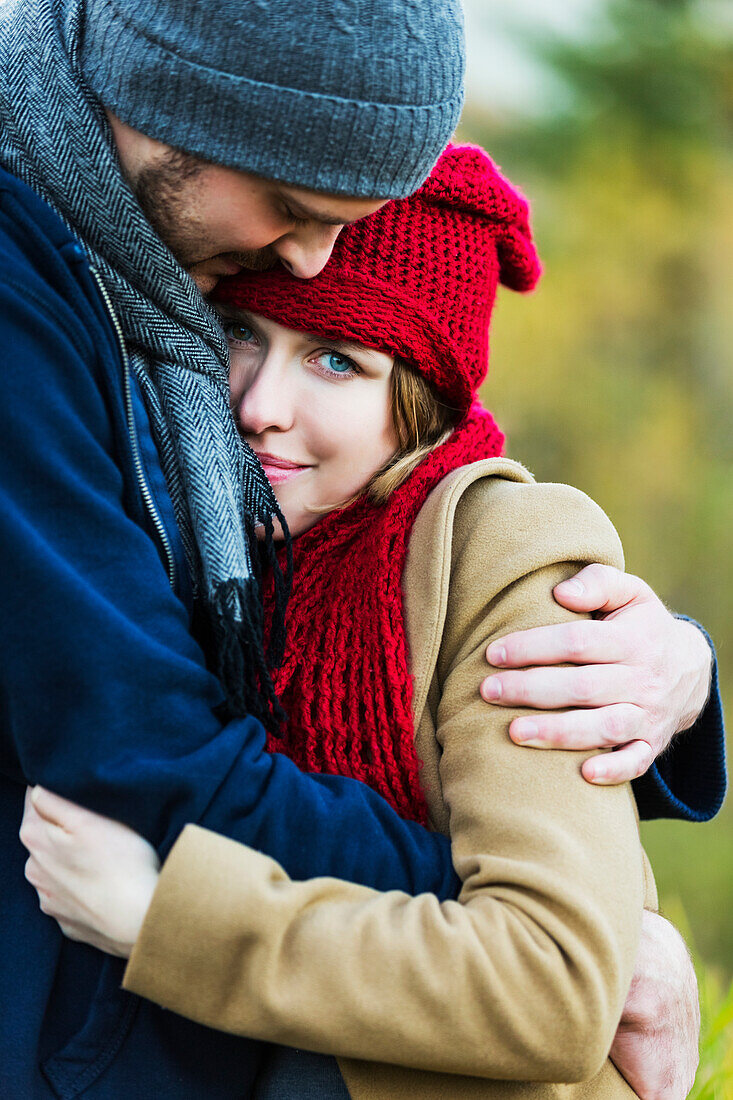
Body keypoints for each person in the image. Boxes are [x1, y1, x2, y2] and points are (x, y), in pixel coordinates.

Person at [0, 0, 723, 1096]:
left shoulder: (466, 541)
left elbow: (540, 950)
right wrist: (565, 924)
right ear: (174, 107)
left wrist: (677, 679)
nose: (256, 406)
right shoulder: (54, 306)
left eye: (338, 358)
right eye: (244, 328)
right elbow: (143, 748)